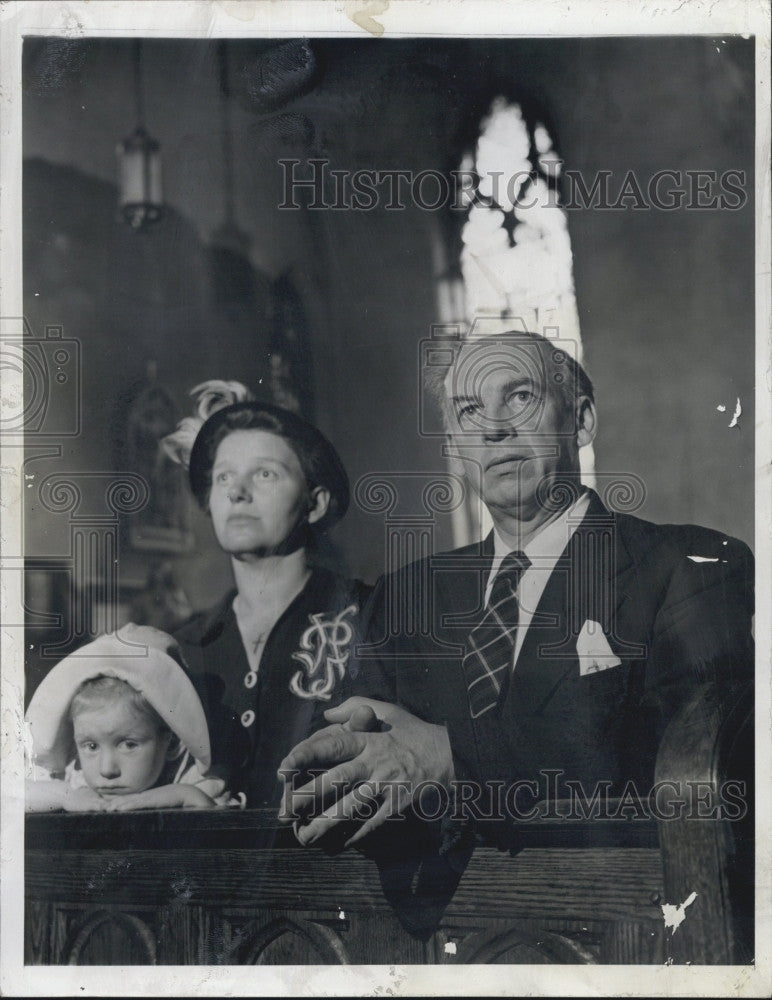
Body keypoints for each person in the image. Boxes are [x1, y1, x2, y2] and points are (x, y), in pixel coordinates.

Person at [279, 331, 754, 850]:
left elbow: (689, 759)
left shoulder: (691, 565)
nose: (494, 430)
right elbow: (355, 772)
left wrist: (449, 754)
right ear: (455, 449)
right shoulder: (404, 595)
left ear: (582, 419)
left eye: (520, 397)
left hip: (617, 910)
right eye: (468, 412)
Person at [164, 382, 371, 808]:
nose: (237, 491)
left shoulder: (372, 617)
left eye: (264, 473)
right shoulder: (182, 649)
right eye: (224, 477)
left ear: (314, 504)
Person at [25, 623, 227, 812]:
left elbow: (217, 823)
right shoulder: (76, 779)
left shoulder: (188, 779)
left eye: (129, 745)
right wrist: (66, 796)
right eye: (91, 746)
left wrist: (182, 794)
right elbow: (12, 793)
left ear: (171, 741)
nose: (107, 770)